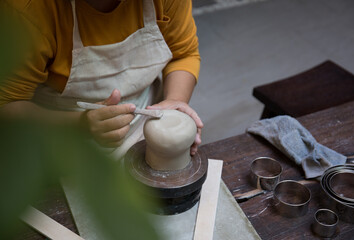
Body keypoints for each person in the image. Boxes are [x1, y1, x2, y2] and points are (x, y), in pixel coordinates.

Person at [0, 0, 203, 159]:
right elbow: (7, 104)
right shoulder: (27, 10)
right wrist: (82, 124)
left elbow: (183, 55)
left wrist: (176, 100)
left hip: (144, 122)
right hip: (56, 138)